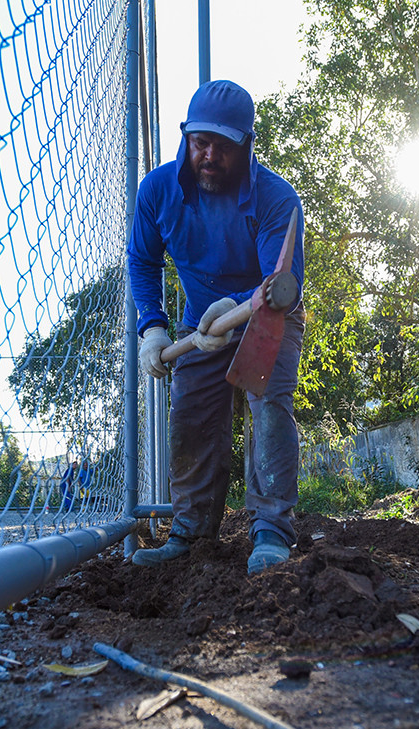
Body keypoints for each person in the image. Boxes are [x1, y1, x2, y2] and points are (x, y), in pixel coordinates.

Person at [127, 79, 305, 573]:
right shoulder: (158, 192)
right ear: (185, 136)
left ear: (246, 145)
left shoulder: (276, 199)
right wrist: (154, 328)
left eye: (223, 146)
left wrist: (232, 306)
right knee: (191, 415)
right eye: (199, 142)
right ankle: (190, 533)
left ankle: (271, 529)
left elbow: (280, 286)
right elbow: (142, 262)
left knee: (267, 403)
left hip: (266, 316)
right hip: (196, 324)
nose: (209, 155)